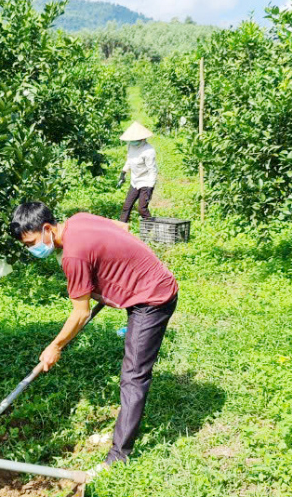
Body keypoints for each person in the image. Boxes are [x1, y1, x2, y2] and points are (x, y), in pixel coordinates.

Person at [9, 202, 178, 477]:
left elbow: (80, 313)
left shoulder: (73, 257)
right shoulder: (78, 219)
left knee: (134, 375)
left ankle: (118, 457)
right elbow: (122, 227)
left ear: (47, 228)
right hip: (149, 280)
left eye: (31, 242)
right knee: (132, 372)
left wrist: (55, 346)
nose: (31, 249)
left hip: (153, 298)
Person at [117, 121, 158, 224]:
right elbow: (129, 160)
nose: (133, 141)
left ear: (143, 139)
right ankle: (121, 228)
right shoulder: (131, 146)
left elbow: (152, 170)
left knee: (142, 209)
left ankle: (150, 229)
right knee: (127, 206)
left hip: (146, 182)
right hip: (135, 181)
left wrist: (150, 188)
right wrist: (123, 173)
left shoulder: (148, 151)